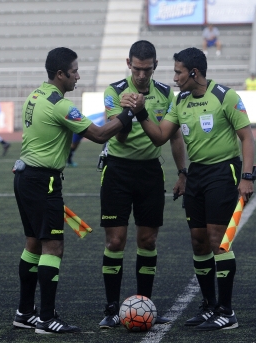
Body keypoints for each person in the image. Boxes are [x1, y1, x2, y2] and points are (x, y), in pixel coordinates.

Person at [124, 47, 255, 331]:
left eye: (178, 72)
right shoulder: (180, 100)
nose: (174, 77)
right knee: (198, 241)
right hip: (196, 175)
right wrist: (141, 111)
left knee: (217, 239)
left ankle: (227, 311)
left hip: (223, 172)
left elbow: (247, 136)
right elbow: (160, 136)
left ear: (194, 73)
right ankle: (209, 306)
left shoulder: (225, 96)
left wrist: (246, 177)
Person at [12, 47, 140, 335]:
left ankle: (24, 312)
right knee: (52, 246)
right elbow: (98, 135)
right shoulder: (59, 105)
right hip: (43, 181)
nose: (78, 76)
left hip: (25, 176)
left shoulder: (36, 95)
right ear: (60, 74)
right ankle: (46, 318)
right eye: (74, 71)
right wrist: (130, 112)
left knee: (33, 243)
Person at [98, 40, 186, 329]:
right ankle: (112, 308)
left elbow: (172, 136)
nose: (141, 75)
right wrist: (128, 113)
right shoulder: (114, 91)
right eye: (136, 69)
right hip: (117, 171)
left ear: (155, 67)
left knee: (148, 240)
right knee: (115, 240)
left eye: (147, 70)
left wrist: (182, 172)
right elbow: (117, 137)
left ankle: (144, 305)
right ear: (128, 64)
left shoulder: (165, 93)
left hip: (150, 172)